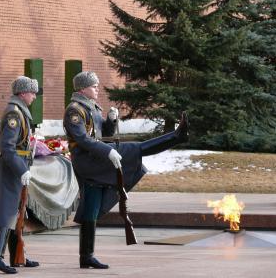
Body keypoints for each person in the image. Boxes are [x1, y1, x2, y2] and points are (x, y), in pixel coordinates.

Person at [63, 71, 189, 269]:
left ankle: (86, 256)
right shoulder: (75, 110)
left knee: (92, 208)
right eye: (94, 85)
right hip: (87, 161)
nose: (97, 88)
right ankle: (175, 136)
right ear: (82, 89)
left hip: (95, 158)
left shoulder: (91, 107)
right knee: (135, 149)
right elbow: (82, 140)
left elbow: (104, 134)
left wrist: (110, 121)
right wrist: (108, 152)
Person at [0, 76, 40, 274]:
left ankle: (18, 255)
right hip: (11, 168)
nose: (34, 96)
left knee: (17, 213)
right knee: (7, 212)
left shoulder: (20, 111)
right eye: (32, 92)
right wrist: (22, 170)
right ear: (22, 93)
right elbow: (7, 148)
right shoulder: (14, 113)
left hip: (17, 166)